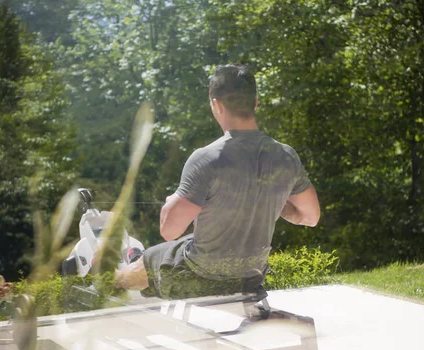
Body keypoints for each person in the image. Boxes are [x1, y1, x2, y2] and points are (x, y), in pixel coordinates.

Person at [115, 63, 320, 299]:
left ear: (216, 104)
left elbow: (169, 230)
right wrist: (275, 196)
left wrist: (171, 203)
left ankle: (111, 278)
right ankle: (133, 260)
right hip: (251, 277)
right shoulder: (286, 157)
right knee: (188, 241)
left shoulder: (207, 158)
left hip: (201, 279)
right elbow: (311, 217)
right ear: (255, 103)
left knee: (154, 255)